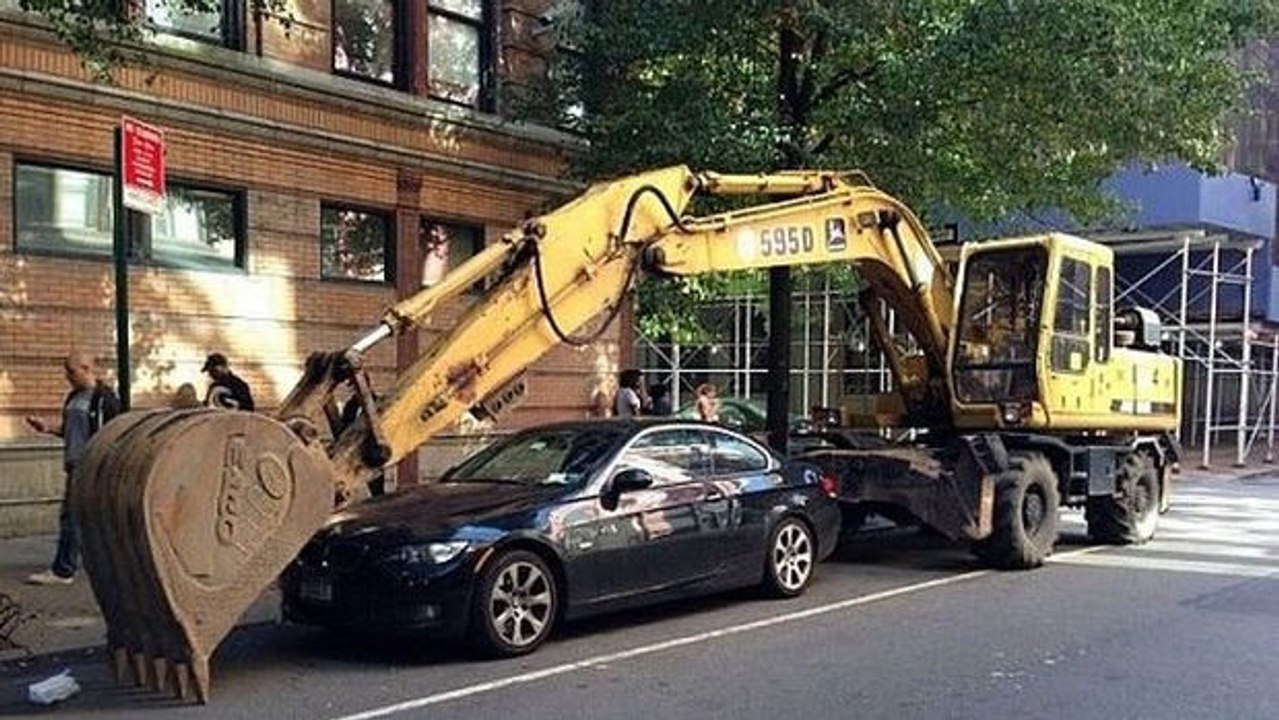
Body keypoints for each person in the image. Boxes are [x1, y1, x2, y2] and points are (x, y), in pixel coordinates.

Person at [25, 351, 121, 586]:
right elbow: (69, 430)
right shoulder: (73, 397)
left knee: (72, 517)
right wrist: (47, 427)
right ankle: (100, 562)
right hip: (74, 463)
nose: (67, 376)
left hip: (91, 465)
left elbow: (115, 432)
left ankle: (63, 570)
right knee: (87, 518)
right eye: (66, 371)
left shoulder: (104, 399)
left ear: (87, 368)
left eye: (72, 371)